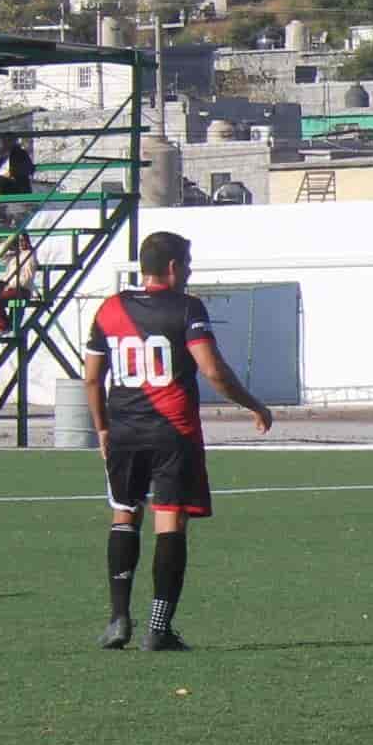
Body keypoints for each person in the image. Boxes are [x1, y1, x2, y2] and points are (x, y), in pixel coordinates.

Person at [82, 230, 273, 651]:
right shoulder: (187, 308)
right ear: (172, 268)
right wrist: (253, 404)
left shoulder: (110, 309)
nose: (188, 271)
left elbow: (93, 377)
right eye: (186, 263)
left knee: (124, 515)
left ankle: (118, 620)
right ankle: (159, 628)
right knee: (170, 521)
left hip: (125, 431)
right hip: (173, 432)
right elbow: (213, 370)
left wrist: (102, 428)